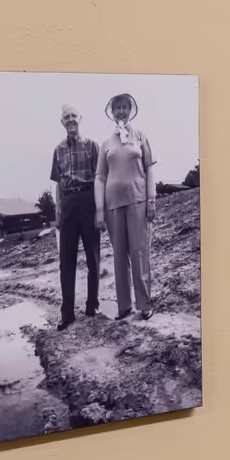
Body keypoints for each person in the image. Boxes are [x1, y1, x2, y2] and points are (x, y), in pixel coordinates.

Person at [96, 92, 157, 320]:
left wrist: (151, 200)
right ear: (111, 113)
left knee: (140, 253)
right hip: (113, 206)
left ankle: (145, 304)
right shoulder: (106, 144)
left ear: (130, 110)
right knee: (119, 256)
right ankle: (124, 306)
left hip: (138, 200)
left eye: (125, 107)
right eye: (117, 108)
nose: (121, 111)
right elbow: (100, 177)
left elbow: (149, 168)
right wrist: (100, 210)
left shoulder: (140, 137)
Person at [48, 103, 101, 328]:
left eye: (74, 116)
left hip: (88, 201)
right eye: (66, 117)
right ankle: (67, 313)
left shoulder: (92, 146)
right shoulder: (57, 150)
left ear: (80, 119)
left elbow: (100, 180)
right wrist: (57, 213)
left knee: (93, 257)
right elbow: (58, 185)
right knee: (66, 262)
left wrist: (100, 210)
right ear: (62, 122)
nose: (70, 120)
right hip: (68, 204)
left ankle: (92, 305)